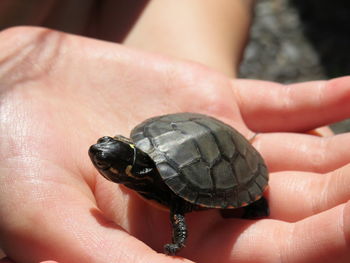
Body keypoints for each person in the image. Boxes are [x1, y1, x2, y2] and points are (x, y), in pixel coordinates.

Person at [0, 1, 350, 262]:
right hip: (187, 130)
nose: (98, 153)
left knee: (242, 206)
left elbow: (177, 213)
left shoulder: (165, 187)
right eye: (104, 157)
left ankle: (254, 200)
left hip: (212, 140)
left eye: (105, 154)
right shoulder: (150, 175)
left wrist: (185, 59)